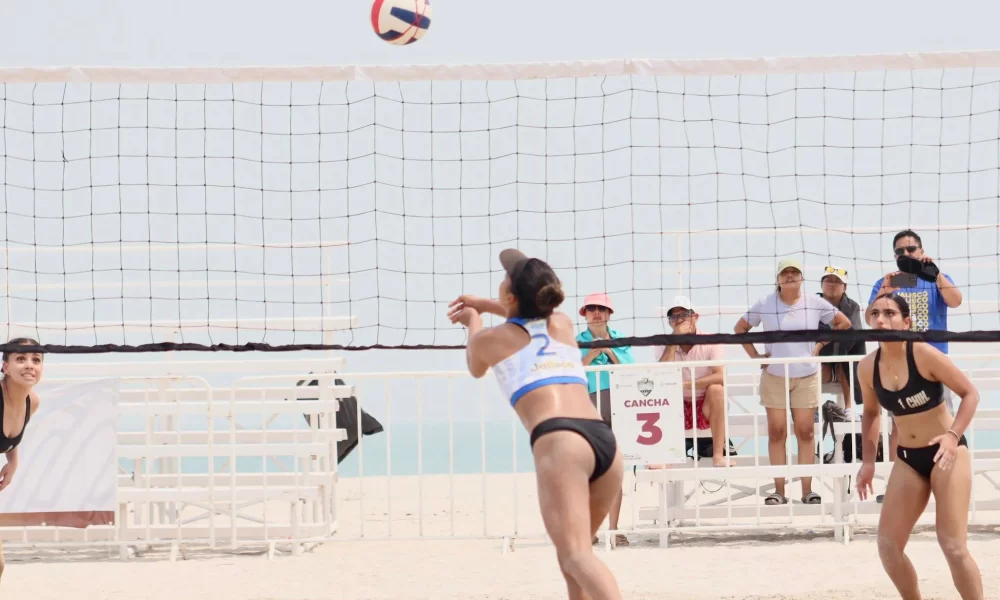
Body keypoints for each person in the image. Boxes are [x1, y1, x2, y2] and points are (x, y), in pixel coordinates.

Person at [448, 249, 623, 600]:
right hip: (604, 441)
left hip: (561, 442)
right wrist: (485, 302)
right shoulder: (563, 325)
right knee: (573, 559)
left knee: (576, 556)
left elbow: (475, 365)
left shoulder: (488, 340)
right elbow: (534, 312)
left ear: (510, 296)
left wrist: (474, 319)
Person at [856, 294, 983, 600]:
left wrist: (952, 435)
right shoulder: (867, 366)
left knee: (952, 546)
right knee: (888, 546)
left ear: (906, 321)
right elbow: (872, 413)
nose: (881, 319)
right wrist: (868, 462)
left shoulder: (923, 354)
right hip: (908, 459)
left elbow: (970, 394)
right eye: (875, 314)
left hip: (946, 453)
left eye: (889, 313)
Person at [734, 258, 852, 506]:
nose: (789, 276)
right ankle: (779, 491)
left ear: (801, 277)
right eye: (785, 273)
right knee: (777, 432)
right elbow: (739, 328)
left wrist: (819, 345)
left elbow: (844, 323)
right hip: (775, 375)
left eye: (794, 272)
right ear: (778, 278)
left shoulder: (814, 302)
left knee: (806, 432)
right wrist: (755, 356)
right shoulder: (765, 302)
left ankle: (807, 490)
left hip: (807, 375)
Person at [866, 229, 962, 463]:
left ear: (921, 251)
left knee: (943, 419)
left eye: (911, 249)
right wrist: (885, 291)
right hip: (897, 360)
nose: (906, 253)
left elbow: (956, 301)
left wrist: (935, 274)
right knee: (899, 423)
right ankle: (897, 475)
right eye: (900, 251)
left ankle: (944, 474)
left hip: (934, 360)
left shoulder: (935, 278)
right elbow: (870, 319)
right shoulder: (888, 281)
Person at [576, 292, 633, 546]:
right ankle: (589, 530)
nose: (596, 312)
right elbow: (572, 370)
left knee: (614, 470)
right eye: (591, 308)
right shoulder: (575, 341)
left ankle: (613, 529)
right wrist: (592, 352)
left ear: (609, 314)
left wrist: (607, 349)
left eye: (601, 308)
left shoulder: (621, 339)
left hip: (619, 403)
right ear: (585, 314)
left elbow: (629, 368)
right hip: (588, 404)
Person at [653, 296, 731, 467]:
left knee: (717, 390)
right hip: (675, 405)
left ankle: (718, 455)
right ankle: (666, 458)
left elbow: (720, 376)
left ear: (695, 317)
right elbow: (659, 375)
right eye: (674, 317)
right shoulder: (662, 343)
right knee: (663, 391)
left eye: (684, 315)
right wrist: (673, 342)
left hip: (705, 407)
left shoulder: (712, 340)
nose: (679, 320)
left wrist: (688, 385)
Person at [0, 337, 44, 582]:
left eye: (36, 360)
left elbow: (12, 438)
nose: (30, 365)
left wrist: (13, 462)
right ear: (5, 367)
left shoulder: (32, 402)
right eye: (20, 359)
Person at [816, 265, 865, 414]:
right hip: (819, 353)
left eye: (837, 282)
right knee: (818, 370)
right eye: (828, 280)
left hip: (844, 352)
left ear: (844, 287)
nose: (832, 284)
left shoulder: (853, 306)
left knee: (846, 365)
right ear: (821, 284)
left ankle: (849, 408)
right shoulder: (811, 304)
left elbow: (854, 335)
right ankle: (813, 407)